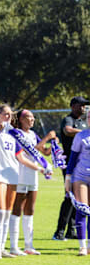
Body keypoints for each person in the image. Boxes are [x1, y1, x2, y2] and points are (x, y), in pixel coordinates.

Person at [0, 105, 50, 259]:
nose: (8, 117)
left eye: (10, 114)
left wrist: (41, 168)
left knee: (8, 212)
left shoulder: (14, 134)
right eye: (5, 114)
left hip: (13, 175)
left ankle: (3, 248)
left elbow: (21, 157)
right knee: (0, 211)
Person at [9, 109, 55, 256]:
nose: (32, 120)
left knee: (30, 209)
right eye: (28, 117)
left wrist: (53, 145)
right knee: (17, 208)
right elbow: (29, 151)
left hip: (33, 175)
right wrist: (47, 137)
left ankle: (29, 245)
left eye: (33, 118)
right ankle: (14, 245)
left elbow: (42, 151)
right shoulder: (17, 134)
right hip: (21, 173)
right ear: (21, 119)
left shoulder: (33, 134)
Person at [53, 96, 90, 241]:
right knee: (69, 197)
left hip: (83, 165)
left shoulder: (83, 122)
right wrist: (81, 134)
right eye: (81, 105)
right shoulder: (69, 119)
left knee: (81, 201)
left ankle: (72, 230)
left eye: (84, 106)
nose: (83, 108)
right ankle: (59, 231)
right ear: (73, 106)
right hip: (70, 163)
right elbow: (67, 130)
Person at [67, 107, 90, 255]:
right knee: (82, 209)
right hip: (80, 177)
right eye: (89, 117)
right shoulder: (81, 136)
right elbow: (72, 159)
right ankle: (82, 246)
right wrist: (68, 179)